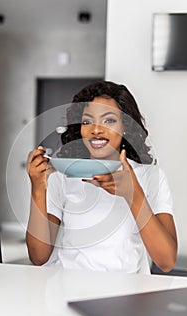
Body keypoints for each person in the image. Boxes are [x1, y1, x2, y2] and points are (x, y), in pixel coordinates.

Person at [26, 80, 177, 273]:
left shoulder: (151, 177)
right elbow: (38, 257)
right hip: (69, 288)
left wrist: (133, 194)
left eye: (109, 120)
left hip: (128, 294)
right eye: (87, 121)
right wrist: (38, 187)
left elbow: (166, 261)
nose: (96, 130)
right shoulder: (63, 176)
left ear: (125, 127)